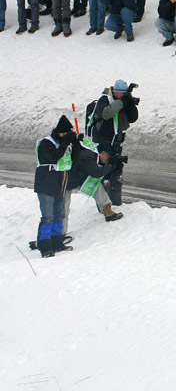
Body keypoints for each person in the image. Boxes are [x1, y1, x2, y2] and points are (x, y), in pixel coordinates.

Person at [87, 79, 139, 218]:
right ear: (115, 91)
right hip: (102, 141)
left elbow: (133, 117)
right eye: (121, 93)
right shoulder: (104, 99)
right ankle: (103, 206)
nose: (122, 95)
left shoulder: (123, 100)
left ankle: (115, 201)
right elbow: (106, 114)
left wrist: (129, 103)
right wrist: (122, 102)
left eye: (124, 93)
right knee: (104, 171)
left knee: (116, 168)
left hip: (116, 139)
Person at [33, 115, 76, 258]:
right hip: (46, 182)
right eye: (65, 134)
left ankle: (57, 241)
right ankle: (45, 246)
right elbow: (54, 157)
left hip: (60, 183)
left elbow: (73, 158)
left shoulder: (65, 144)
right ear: (59, 132)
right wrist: (65, 142)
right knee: (48, 216)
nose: (66, 137)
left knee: (59, 214)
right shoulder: (47, 143)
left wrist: (76, 142)